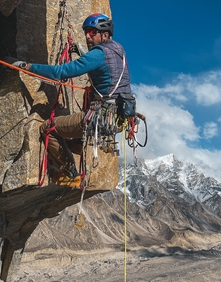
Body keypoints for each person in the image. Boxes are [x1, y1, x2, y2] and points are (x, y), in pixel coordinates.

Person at [11, 13, 132, 186]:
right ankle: (75, 143)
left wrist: (26, 66)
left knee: (48, 128)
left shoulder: (98, 54)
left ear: (104, 35)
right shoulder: (119, 50)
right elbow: (102, 65)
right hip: (119, 117)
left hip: (101, 118)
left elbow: (61, 72)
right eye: (86, 32)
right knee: (81, 107)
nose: (88, 36)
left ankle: (69, 171)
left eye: (92, 32)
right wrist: (82, 52)